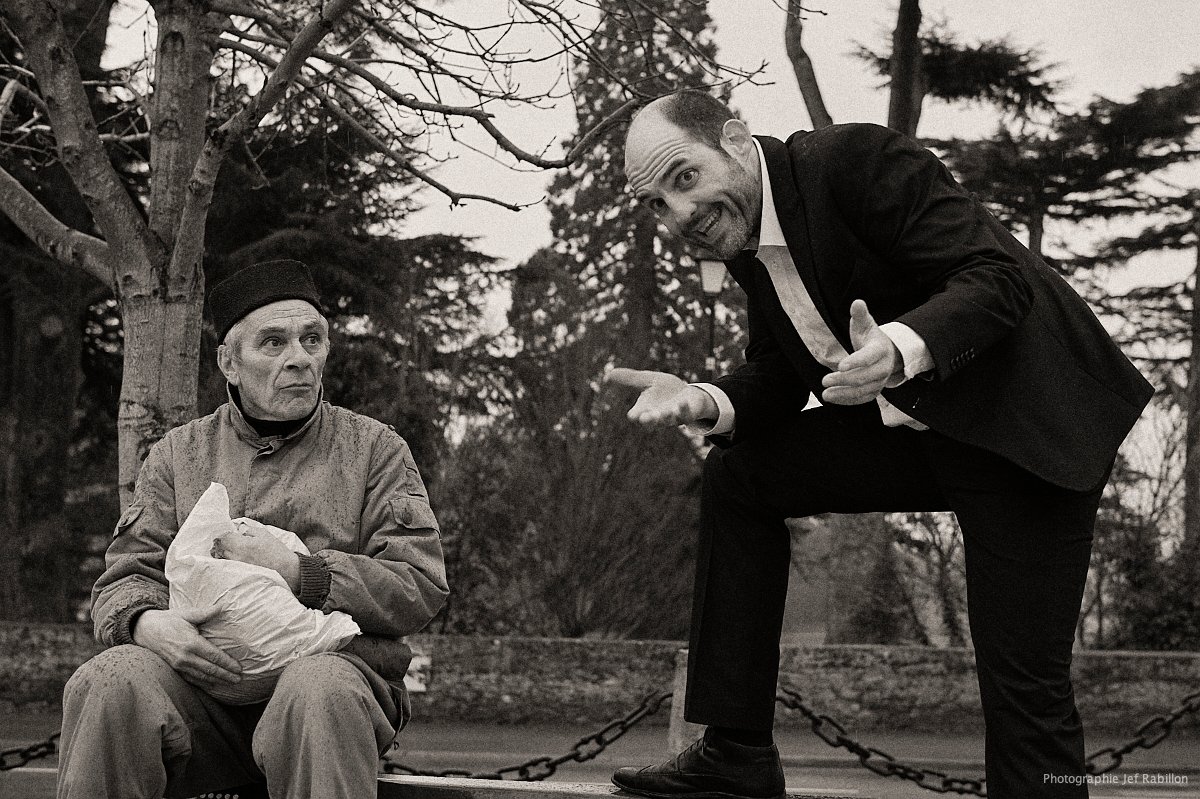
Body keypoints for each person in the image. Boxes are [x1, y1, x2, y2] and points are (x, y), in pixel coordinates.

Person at [606, 90, 1153, 799]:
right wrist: (707, 399)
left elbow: (997, 278)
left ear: (736, 141)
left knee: (1025, 692)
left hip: (1023, 428)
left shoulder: (853, 161)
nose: (680, 214)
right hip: (920, 433)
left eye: (684, 177)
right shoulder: (743, 233)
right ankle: (735, 754)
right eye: (657, 203)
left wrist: (898, 348)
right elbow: (777, 370)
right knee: (740, 474)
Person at [56, 259, 449, 799]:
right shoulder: (178, 455)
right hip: (201, 699)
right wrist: (144, 622)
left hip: (331, 690)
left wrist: (302, 573)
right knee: (108, 680)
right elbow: (125, 577)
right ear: (229, 362)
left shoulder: (376, 450)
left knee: (317, 686)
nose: (299, 358)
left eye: (312, 340)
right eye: (274, 343)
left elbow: (419, 586)